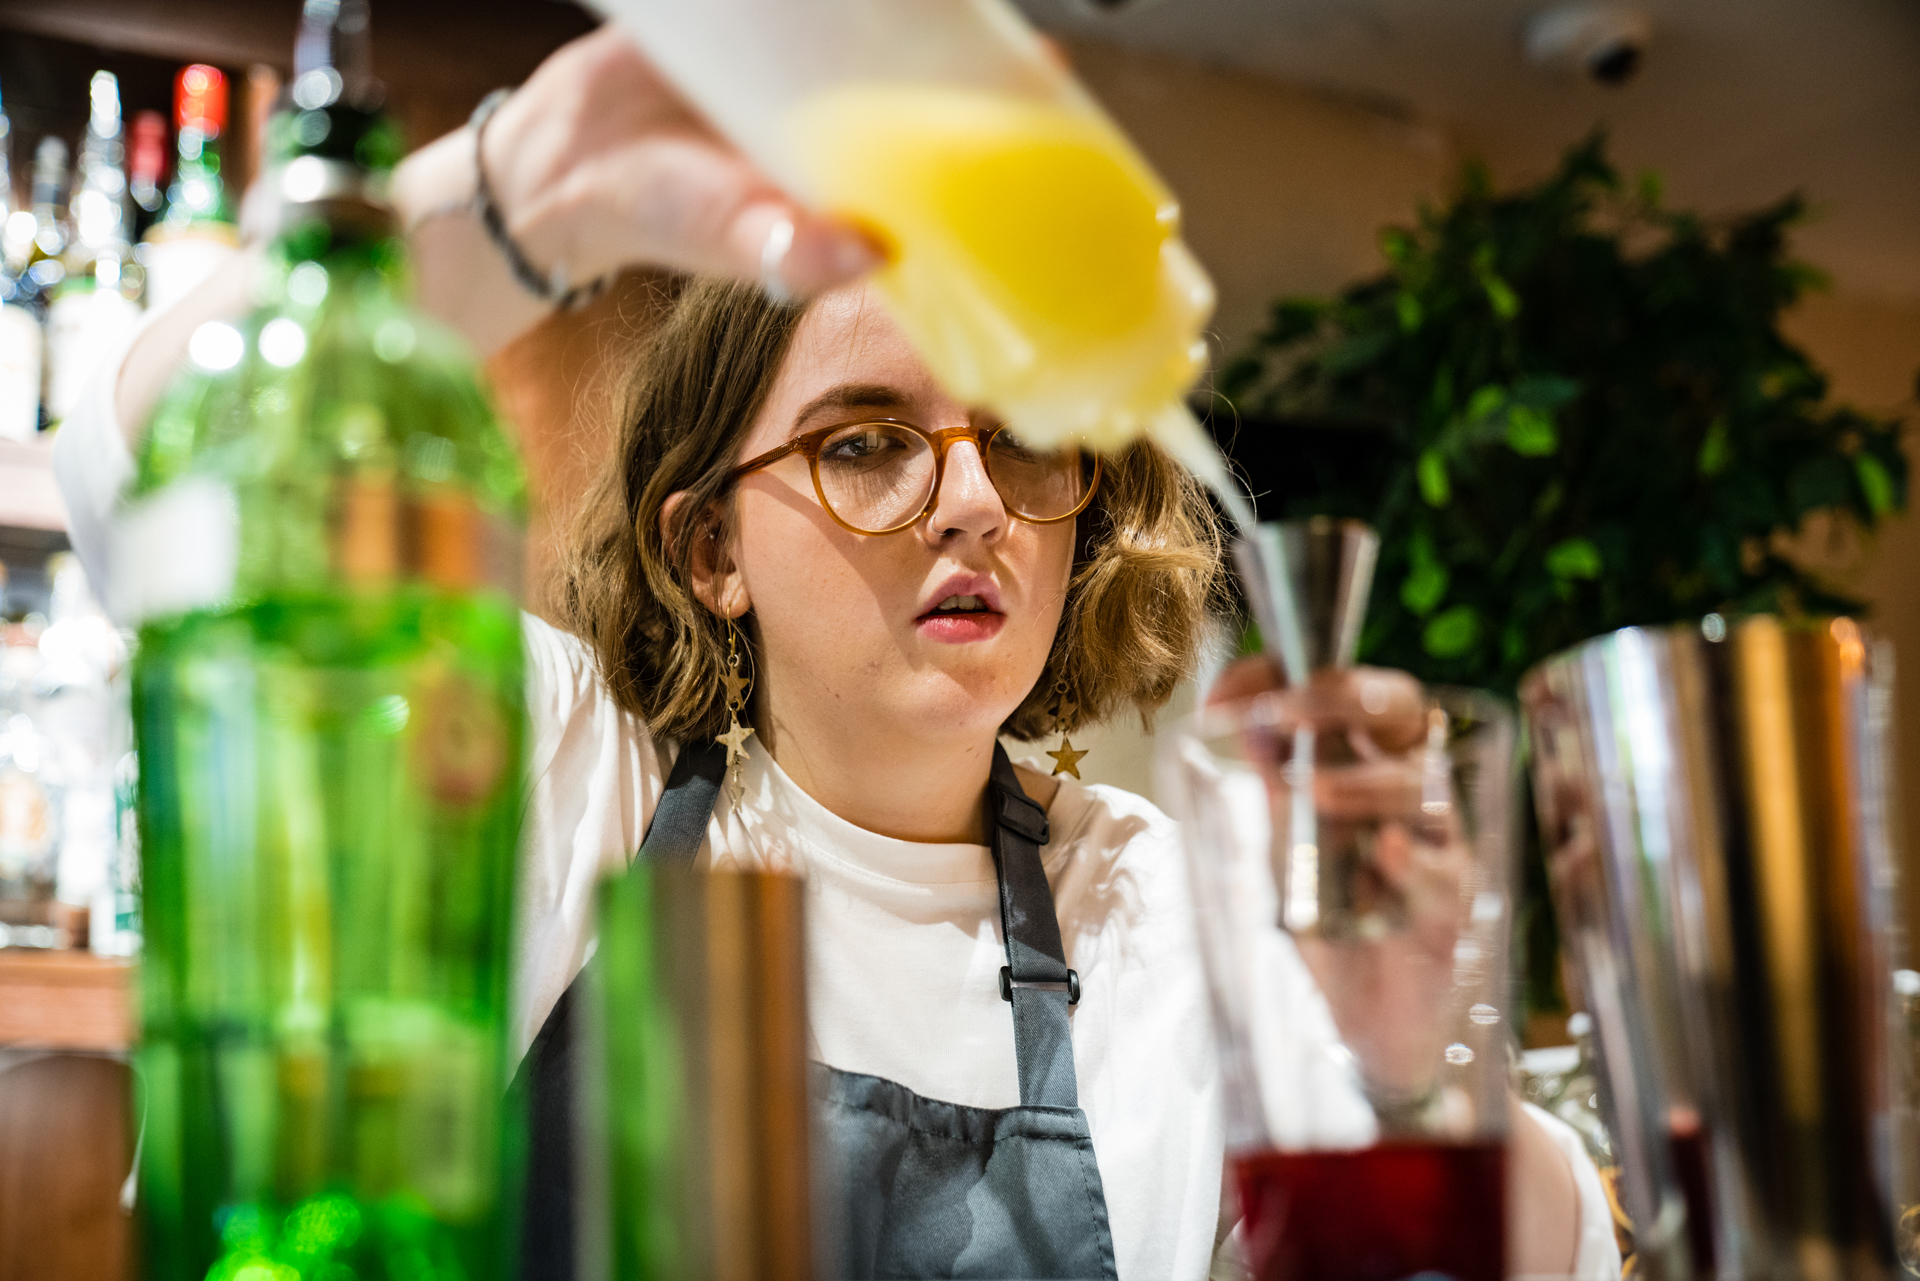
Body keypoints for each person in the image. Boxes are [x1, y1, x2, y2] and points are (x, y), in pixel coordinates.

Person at [55, 24, 1620, 1281]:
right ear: (708, 548)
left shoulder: (1159, 908)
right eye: (866, 442)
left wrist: (1419, 1073)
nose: (972, 496)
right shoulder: (552, 769)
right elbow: (162, 478)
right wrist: (518, 200)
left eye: (1015, 435)